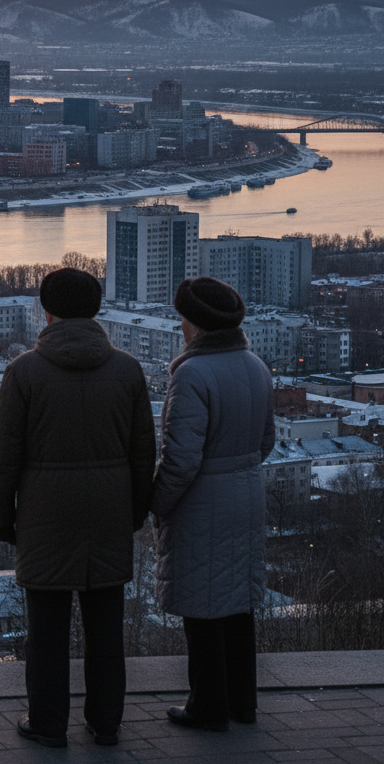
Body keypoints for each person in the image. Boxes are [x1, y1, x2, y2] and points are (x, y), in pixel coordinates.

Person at [0, 267, 155, 748]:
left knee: (46, 630)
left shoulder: (24, 372)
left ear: (46, 310)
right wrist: (135, 511)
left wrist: (2, 520)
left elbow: (4, 459)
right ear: (96, 309)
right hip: (108, 515)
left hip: (45, 516)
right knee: (107, 624)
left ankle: (47, 722)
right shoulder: (126, 370)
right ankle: (106, 723)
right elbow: (145, 451)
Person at [151, 277, 275, 732]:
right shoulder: (256, 365)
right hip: (248, 496)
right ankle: (243, 702)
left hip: (203, 502)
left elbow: (181, 460)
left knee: (202, 606)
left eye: (183, 318)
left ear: (197, 325)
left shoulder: (192, 374)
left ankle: (207, 707)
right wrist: (237, 471)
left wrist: (158, 503)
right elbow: (267, 440)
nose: (180, 326)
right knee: (238, 605)